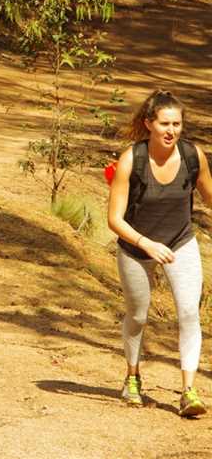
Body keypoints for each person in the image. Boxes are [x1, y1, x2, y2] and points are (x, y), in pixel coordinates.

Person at [107, 89, 212, 417]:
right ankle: (132, 377)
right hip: (136, 246)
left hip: (180, 242)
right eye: (165, 123)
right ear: (149, 123)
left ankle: (188, 391)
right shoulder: (132, 159)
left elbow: (210, 198)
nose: (171, 130)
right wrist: (146, 244)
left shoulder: (193, 157)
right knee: (138, 314)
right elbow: (114, 219)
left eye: (177, 124)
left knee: (188, 313)